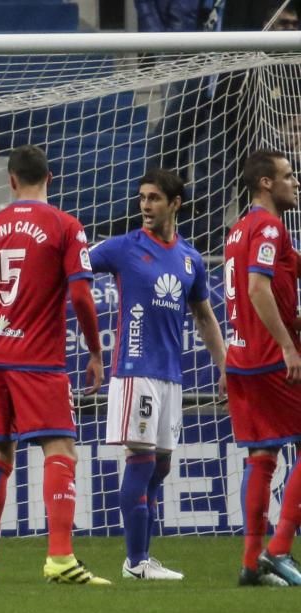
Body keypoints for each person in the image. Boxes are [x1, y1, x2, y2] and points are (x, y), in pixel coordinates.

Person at [0, 144, 108, 585]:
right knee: (61, 450)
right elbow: (80, 297)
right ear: (49, 178)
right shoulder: (66, 225)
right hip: (38, 358)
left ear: (11, 180)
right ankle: (59, 557)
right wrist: (94, 349)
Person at [89, 168, 226, 580]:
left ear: (175, 204)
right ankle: (135, 562)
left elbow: (204, 317)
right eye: (142, 198)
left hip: (170, 374)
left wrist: (225, 366)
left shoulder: (191, 258)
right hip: (135, 370)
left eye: (153, 198)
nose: (145, 206)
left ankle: (142, 557)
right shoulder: (123, 248)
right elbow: (73, 266)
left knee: (161, 466)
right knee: (142, 459)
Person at [224, 150, 301, 586]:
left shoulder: (238, 230)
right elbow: (257, 288)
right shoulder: (270, 227)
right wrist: (289, 345)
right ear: (266, 184)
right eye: (288, 176)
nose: (296, 182)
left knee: (262, 457)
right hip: (271, 357)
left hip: (241, 358)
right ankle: (280, 548)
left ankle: (252, 562)